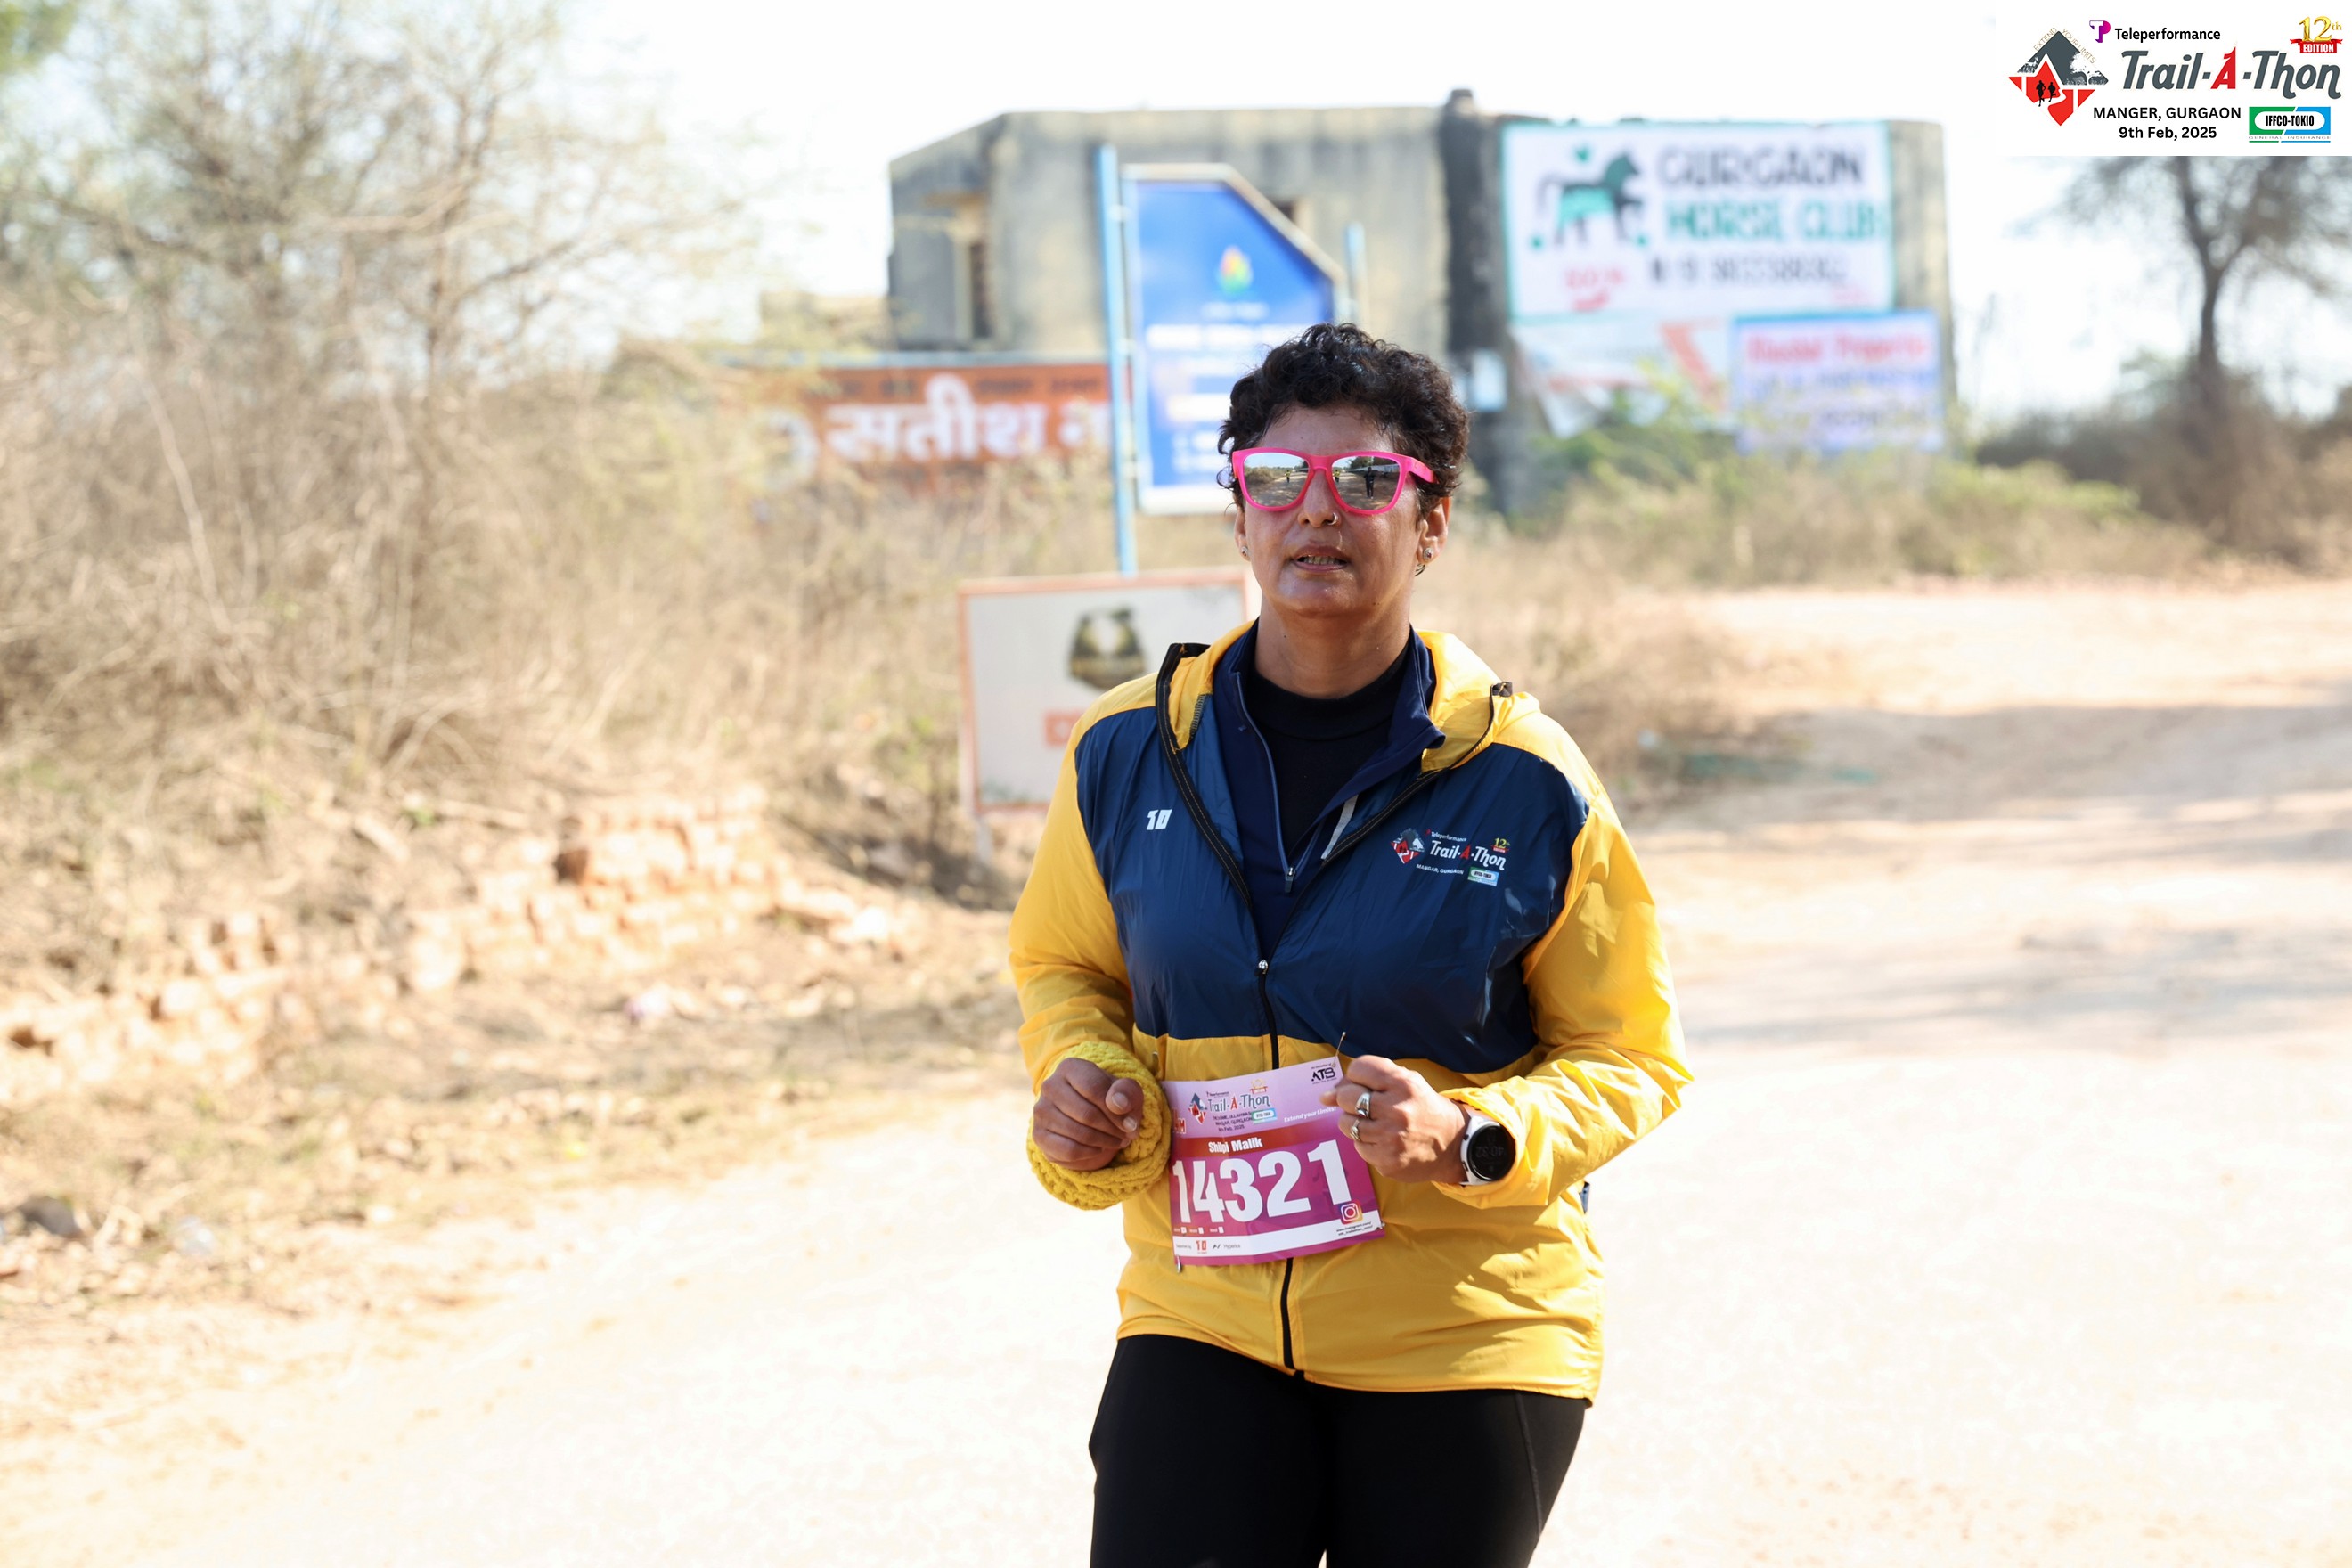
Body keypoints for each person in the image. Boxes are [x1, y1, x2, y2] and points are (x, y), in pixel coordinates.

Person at [1012, 323, 1688, 1568]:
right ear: (1241, 515)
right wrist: (1083, 1077)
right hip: (1203, 1315)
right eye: (1278, 478)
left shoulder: (1527, 780)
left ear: (1431, 525)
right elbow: (1068, 970)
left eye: (1368, 480)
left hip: (1462, 1335)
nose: (1317, 510)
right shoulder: (1126, 752)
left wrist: (1472, 1134)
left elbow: (1631, 1052)